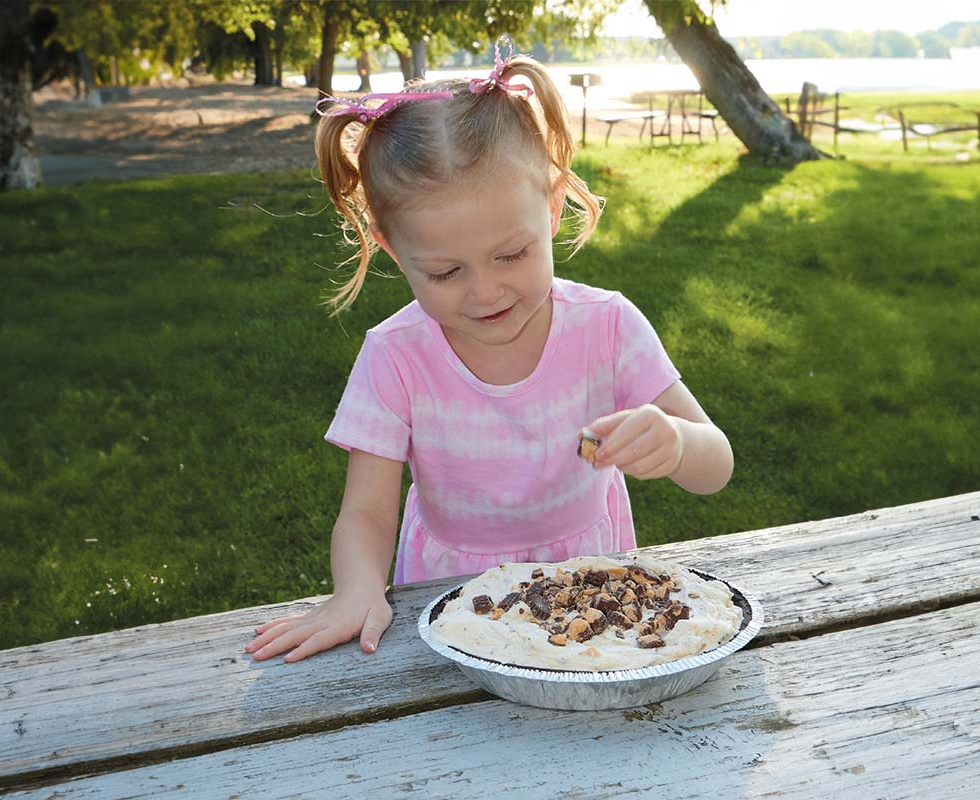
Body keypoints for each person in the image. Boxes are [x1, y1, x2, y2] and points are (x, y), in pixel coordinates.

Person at [245, 38, 733, 664]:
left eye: (512, 255)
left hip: (593, 605)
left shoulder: (607, 328)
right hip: (451, 604)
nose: (485, 292)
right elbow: (366, 511)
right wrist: (357, 589)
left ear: (553, 206)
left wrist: (676, 442)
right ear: (394, 252)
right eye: (445, 272)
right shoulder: (396, 357)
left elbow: (714, 464)